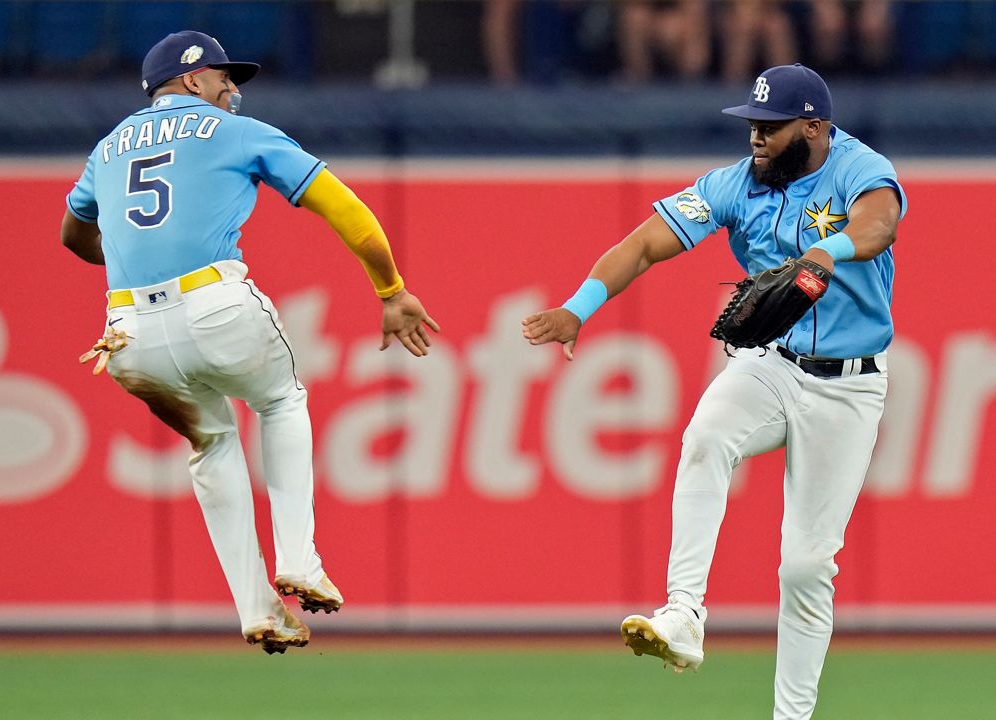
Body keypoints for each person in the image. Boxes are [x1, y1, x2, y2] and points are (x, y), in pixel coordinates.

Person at [522, 63, 905, 718]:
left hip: (849, 387)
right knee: (705, 437)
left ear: (813, 125)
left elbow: (880, 224)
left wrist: (826, 253)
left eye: (771, 126)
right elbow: (644, 245)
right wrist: (578, 308)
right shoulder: (734, 185)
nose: (756, 137)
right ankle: (683, 617)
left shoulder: (856, 167)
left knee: (806, 568)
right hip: (772, 363)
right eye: (752, 125)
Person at [61, 31, 440, 654]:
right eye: (221, 76)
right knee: (282, 402)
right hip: (213, 302)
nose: (231, 88)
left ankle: (257, 608)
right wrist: (391, 289)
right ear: (189, 80)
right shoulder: (235, 131)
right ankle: (300, 559)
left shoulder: (108, 148)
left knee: (210, 445)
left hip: (126, 334)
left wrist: (138, 262)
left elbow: (73, 235)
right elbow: (343, 207)